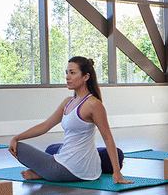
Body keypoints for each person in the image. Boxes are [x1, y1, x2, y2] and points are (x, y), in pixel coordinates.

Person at [8, 56, 131, 184]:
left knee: (19, 148)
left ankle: (44, 173)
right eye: (67, 73)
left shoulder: (93, 104)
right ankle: (43, 172)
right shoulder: (68, 102)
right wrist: (17, 137)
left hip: (72, 168)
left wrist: (117, 172)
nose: (67, 77)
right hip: (83, 168)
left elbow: (107, 138)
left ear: (86, 77)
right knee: (52, 149)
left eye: (72, 73)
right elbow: (45, 126)